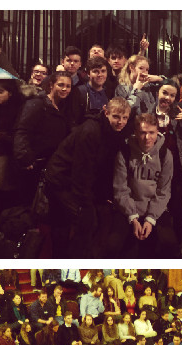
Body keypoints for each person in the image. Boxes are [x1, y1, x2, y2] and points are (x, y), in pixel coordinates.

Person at [43, 97, 133, 259]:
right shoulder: (91, 131)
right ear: (106, 113)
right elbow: (81, 170)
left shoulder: (110, 132)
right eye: (116, 117)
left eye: (124, 118)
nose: (120, 122)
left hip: (71, 180)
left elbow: (100, 168)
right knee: (85, 221)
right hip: (61, 180)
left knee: (76, 224)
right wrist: (85, 203)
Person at [109, 113, 177, 258]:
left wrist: (151, 219)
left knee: (169, 244)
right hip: (129, 208)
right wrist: (133, 217)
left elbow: (164, 191)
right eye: (143, 133)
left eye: (151, 133)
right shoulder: (125, 153)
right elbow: (120, 190)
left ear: (157, 132)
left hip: (154, 209)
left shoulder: (165, 154)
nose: (147, 138)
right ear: (135, 133)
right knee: (113, 245)